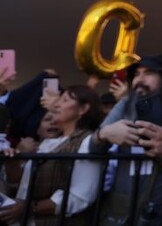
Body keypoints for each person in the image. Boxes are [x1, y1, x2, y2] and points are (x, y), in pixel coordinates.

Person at [89, 55, 162, 226]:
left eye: (148, 73)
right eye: (136, 74)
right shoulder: (125, 106)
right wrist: (103, 134)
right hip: (119, 212)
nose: (140, 79)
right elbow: (93, 147)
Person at [0, 85, 102, 225]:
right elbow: (21, 183)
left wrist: (29, 207)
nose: (57, 104)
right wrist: (11, 162)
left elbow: (80, 197)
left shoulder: (85, 142)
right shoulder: (47, 143)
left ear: (83, 109)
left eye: (65, 100)